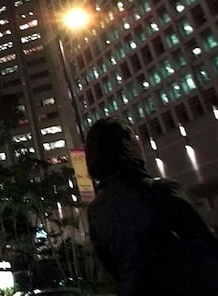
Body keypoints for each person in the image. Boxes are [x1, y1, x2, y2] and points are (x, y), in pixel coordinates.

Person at [85, 117, 218, 296]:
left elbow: (112, 268)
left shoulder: (95, 212)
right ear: (126, 145)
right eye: (134, 137)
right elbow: (207, 243)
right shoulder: (160, 191)